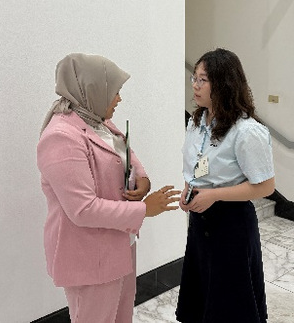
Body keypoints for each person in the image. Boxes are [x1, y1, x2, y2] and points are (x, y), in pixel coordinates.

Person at [37, 53, 181, 323]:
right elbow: (83, 209)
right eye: (115, 92)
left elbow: (124, 154)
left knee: (121, 317)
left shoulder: (99, 121)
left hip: (119, 244)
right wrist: (144, 209)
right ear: (92, 90)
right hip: (90, 256)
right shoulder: (61, 137)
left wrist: (143, 179)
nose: (119, 99)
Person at [175, 48, 275, 323]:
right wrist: (188, 189)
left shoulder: (246, 131)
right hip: (200, 221)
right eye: (194, 78)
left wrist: (214, 195)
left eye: (202, 80)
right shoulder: (197, 121)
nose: (195, 85)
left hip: (231, 224)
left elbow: (265, 186)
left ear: (223, 83)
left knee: (231, 303)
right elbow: (197, 165)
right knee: (203, 297)